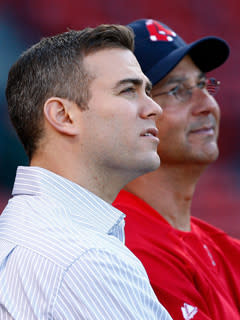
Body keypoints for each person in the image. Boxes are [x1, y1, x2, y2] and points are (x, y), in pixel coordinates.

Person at [0, 24, 173, 319]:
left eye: (148, 90)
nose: (154, 107)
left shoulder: (33, 229)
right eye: (128, 90)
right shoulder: (85, 258)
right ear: (63, 116)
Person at [113, 19, 240, 320]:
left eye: (202, 85)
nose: (206, 103)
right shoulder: (125, 247)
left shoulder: (223, 248)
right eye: (177, 90)